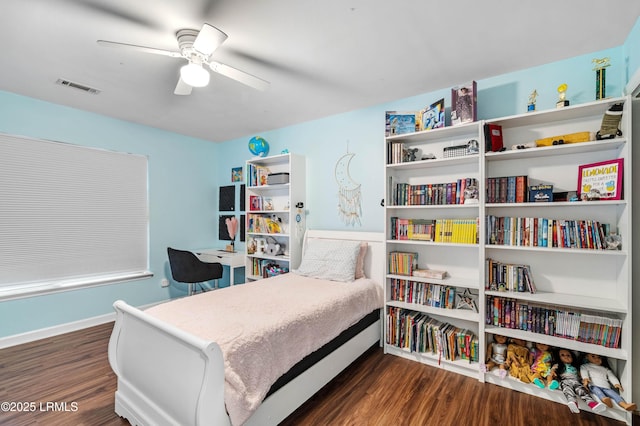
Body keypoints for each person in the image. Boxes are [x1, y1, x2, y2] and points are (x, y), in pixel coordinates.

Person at [554, 348, 606, 413]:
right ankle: (573, 403)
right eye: (562, 355)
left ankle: (592, 404)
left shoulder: (575, 367)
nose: (566, 357)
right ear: (558, 357)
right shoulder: (558, 366)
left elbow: (580, 375)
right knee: (567, 390)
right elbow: (551, 373)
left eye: (568, 355)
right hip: (565, 381)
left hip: (576, 381)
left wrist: (584, 381)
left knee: (582, 390)